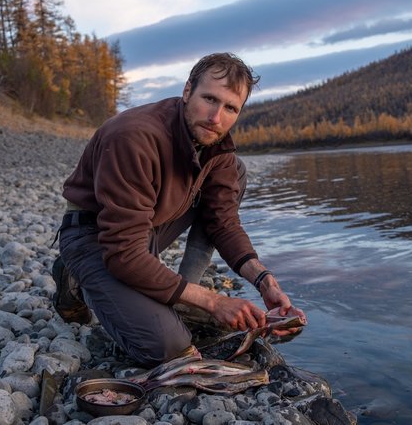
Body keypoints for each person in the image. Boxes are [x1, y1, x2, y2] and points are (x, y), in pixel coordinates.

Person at [54, 52, 305, 367]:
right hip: (94, 235)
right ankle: (79, 278)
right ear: (187, 92)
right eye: (209, 99)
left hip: (147, 229)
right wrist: (213, 302)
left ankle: (180, 292)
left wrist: (265, 281)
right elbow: (124, 254)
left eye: (230, 108)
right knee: (169, 348)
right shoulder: (134, 136)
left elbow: (223, 223)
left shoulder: (216, 145)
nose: (216, 118)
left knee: (235, 171)